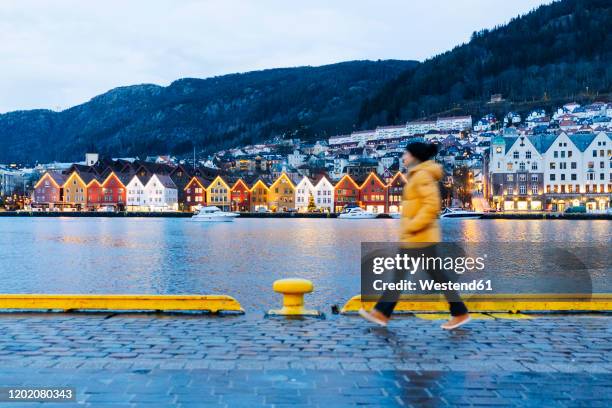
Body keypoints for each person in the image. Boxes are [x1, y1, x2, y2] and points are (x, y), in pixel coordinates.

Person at [359, 142, 471, 330]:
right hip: (417, 237)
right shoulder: (417, 175)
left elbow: (431, 205)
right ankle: (459, 312)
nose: (403, 157)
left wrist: (412, 225)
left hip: (419, 237)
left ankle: (382, 313)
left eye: (406, 154)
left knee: (405, 277)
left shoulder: (422, 176)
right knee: (429, 276)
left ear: (415, 156)